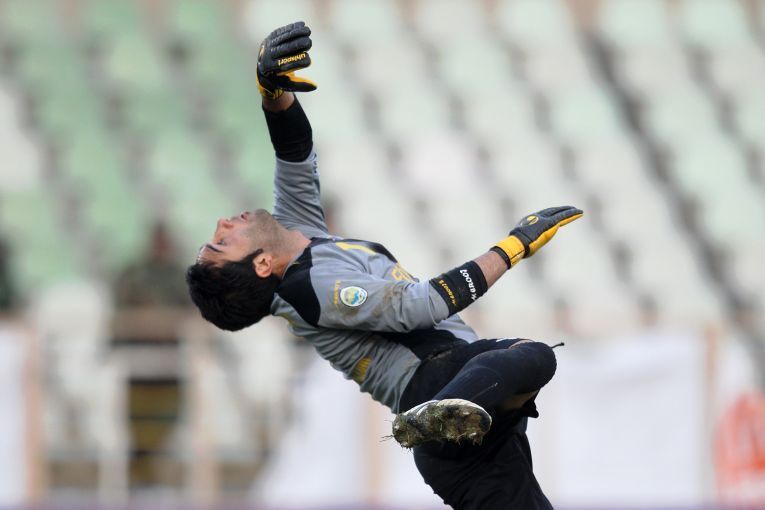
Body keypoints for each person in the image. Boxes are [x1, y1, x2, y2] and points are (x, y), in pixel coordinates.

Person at [186, 22, 582, 509]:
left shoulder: (297, 240)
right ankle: (445, 411)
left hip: (466, 435)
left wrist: (273, 94)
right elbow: (420, 307)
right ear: (263, 264)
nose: (223, 222)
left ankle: (455, 412)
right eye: (222, 242)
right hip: (434, 381)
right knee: (535, 354)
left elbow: (294, 153)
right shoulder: (313, 287)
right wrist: (514, 246)